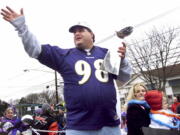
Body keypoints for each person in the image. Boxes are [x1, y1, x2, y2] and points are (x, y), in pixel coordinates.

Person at [1, 6, 132, 135]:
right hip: (79, 126)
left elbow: (124, 79)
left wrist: (123, 60)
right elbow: (35, 50)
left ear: (92, 34)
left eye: (81, 30)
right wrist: (22, 28)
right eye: (74, 32)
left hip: (109, 124)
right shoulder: (65, 55)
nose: (77, 33)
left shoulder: (106, 53)